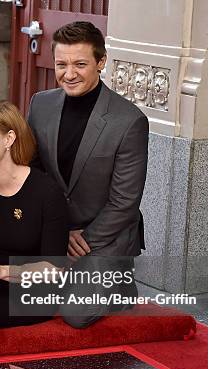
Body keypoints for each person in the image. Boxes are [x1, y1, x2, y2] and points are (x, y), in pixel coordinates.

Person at [27, 21, 149, 328]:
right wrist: (56, 232)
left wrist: (84, 239)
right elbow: (34, 174)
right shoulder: (40, 104)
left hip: (105, 233)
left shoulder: (130, 121)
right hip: (56, 228)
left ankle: (120, 286)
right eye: (61, 64)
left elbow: (125, 202)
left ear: (101, 62)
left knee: (76, 314)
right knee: (20, 301)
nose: (69, 74)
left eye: (80, 64)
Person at [0, 100, 69, 331]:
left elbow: (54, 269)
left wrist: (2, 272)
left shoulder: (46, 192)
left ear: (9, 139)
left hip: (31, 292)